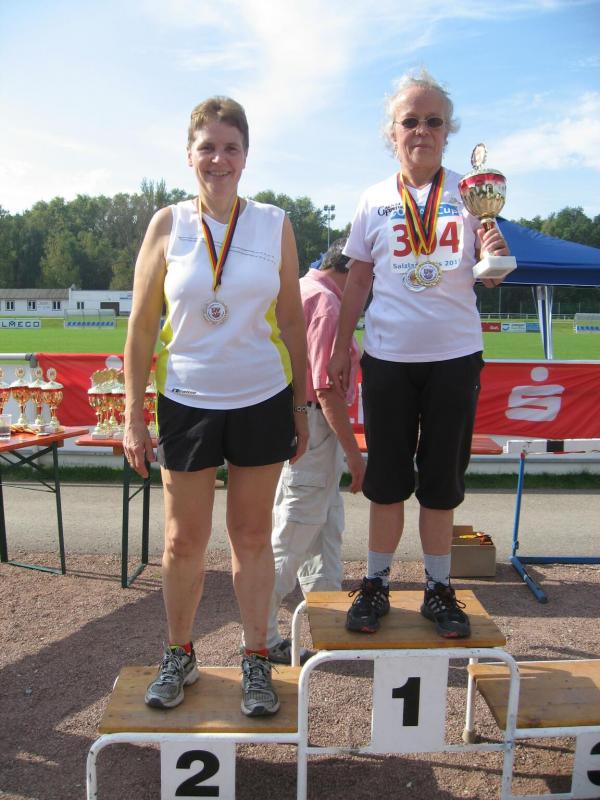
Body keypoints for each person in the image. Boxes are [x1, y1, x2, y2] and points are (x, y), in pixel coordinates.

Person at [123, 96, 308, 716]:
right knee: (183, 541)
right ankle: (180, 654)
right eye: (208, 147)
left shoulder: (274, 223)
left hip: (261, 397)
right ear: (189, 155)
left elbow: (292, 320)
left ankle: (256, 657)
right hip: (187, 399)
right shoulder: (167, 224)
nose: (219, 159)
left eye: (231, 148)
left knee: (252, 536)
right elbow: (141, 328)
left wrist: (302, 406)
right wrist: (133, 415)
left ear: (246, 156)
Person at [327, 69, 510, 639]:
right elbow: (358, 281)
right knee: (385, 479)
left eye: (434, 121)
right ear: (393, 132)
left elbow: (488, 275)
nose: (422, 130)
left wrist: (494, 259)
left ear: (448, 131)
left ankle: (437, 588)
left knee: (440, 481)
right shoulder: (374, 199)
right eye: (411, 121)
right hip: (387, 358)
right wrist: (341, 346)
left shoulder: (470, 193)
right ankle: (375, 583)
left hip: (455, 356)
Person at [266, 238, 365, 665]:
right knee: (293, 535)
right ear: (352, 269)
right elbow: (326, 389)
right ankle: (261, 638)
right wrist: (355, 455)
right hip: (314, 425)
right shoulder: (327, 303)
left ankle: (329, 628)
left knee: (323, 529)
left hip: (300, 424)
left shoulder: (305, 289)